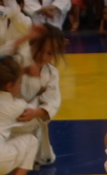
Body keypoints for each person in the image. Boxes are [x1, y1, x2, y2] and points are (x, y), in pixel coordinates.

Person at [9, 23, 66, 166]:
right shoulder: (21, 60)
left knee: (35, 156)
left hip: (31, 119)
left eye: (50, 53)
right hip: (7, 117)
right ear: (31, 45)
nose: (43, 56)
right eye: (40, 50)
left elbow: (52, 100)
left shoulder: (51, 73)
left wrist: (36, 112)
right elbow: (3, 60)